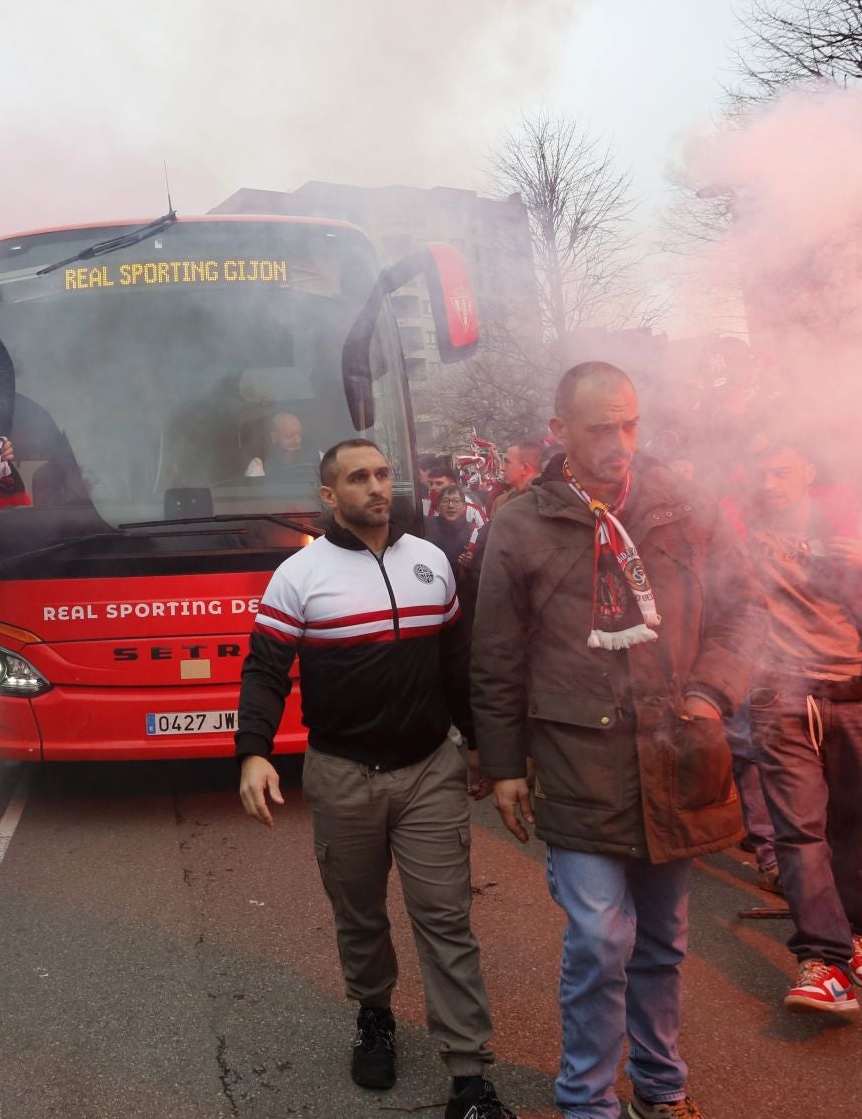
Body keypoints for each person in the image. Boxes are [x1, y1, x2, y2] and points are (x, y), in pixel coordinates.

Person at [472, 362, 762, 1119]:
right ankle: (587, 1101)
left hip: (679, 750)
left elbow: (744, 613)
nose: (621, 441)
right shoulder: (521, 522)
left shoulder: (684, 506)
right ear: (559, 431)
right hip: (578, 762)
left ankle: (662, 1087)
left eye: (631, 423)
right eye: (601, 427)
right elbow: (497, 653)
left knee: (664, 941)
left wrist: (709, 693)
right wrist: (501, 765)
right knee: (602, 940)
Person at [236, 439, 513, 1119]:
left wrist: (476, 744)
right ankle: (375, 1014)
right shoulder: (299, 575)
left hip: (429, 772)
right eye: (358, 478)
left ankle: (470, 1078)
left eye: (384, 474)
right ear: (330, 496)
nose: (377, 488)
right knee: (359, 917)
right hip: (342, 776)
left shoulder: (433, 561)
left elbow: (455, 661)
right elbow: (265, 670)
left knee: (446, 920)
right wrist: (253, 751)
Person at [740, 439, 862, 1010]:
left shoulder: (858, 525)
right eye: (760, 471)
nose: (770, 483)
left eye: (782, 471)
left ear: (808, 471)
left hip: (860, 699)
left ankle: (854, 933)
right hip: (781, 698)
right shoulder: (739, 530)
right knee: (799, 833)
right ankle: (821, 957)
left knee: (859, 831)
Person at [244, 411, 313, 480]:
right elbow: (255, 490)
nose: (297, 441)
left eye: (299, 434)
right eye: (289, 436)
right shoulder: (258, 465)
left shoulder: (318, 457)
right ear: (274, 437)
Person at [491, 443, 543, 512]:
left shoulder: (547, 501)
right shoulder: (501, 502)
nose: (502, 468)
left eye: (507, 463)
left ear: (524, 469)